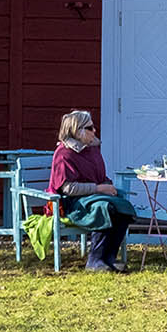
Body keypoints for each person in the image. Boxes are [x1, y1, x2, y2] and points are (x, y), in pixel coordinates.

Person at [48, 110, 137, 272]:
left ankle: (109, 258)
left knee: (123, 209)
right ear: (77, 130)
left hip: (94, 197)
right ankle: (95, 260)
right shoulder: (64, 154)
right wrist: (98, 188)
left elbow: (99, 176)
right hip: (73, 203)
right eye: (90, 128)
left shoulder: (92, 150)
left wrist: (108, 186)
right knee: (104, 209)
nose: (94, 131)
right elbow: (67, 188)